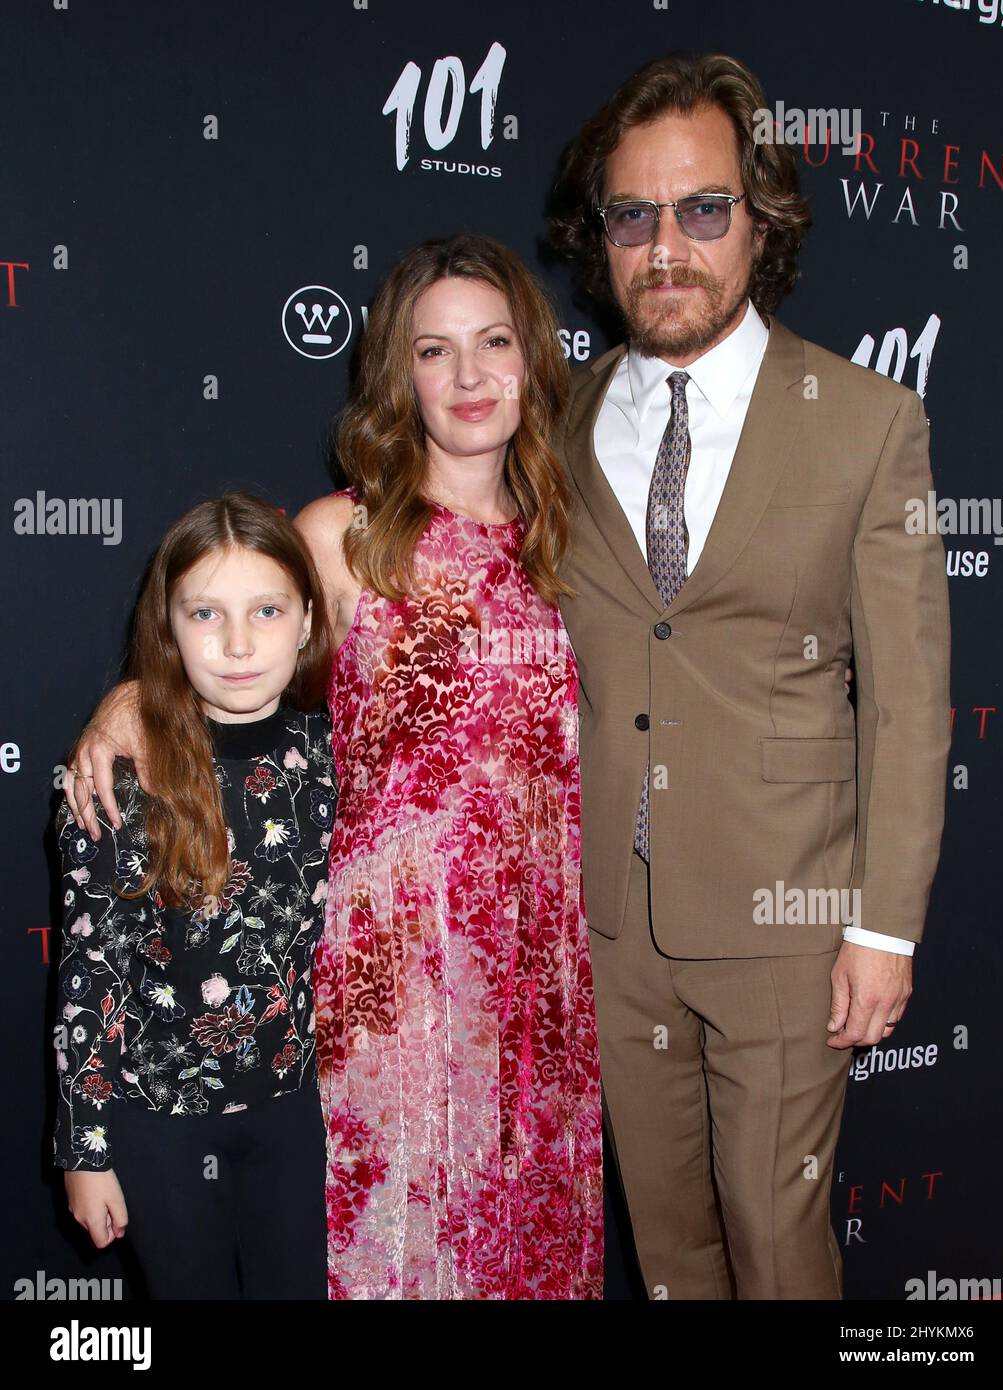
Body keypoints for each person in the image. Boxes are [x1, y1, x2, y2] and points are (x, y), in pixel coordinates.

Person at [63, 235, 604, 1300]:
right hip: (388, 972)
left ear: (533, 358)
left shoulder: (574, 543)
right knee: (397, 1250)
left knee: (525, 1251)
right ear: (397, 375)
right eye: (433, 350)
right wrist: (127, 696)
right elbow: (227, 641)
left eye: (493, 343)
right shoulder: (340, 536)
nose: (467, 376)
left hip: (541, 966)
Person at [546, 51, 951, 1298]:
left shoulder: (867, 420)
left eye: (702, 210)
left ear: (759, 221)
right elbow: (394, 541)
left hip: (789, 925)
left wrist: (882, 929)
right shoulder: (552, 422)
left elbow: (905, 697)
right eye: (634, 216)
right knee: (667, 1262)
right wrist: (153, 681)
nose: (666, 247)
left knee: (778, 1255)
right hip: (609, 923)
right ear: (602, 238)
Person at [55, 492, 338, 1299]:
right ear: (169, 629)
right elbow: (89, 969)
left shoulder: (338, 755)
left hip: (301, 1116)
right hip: (159, 1128)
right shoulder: (118, 778)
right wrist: (86, 1150)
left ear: (309, 621)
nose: (240, 643)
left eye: (268, 610)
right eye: (206, 613)